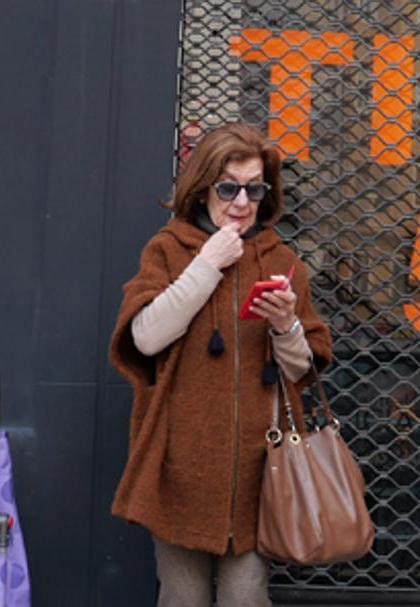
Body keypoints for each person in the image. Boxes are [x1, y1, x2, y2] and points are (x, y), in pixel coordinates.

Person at [108, 122, 332, 606]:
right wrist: (206, 265)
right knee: (183, 598)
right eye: (228, 187)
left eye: (254, 188)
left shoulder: (281, 258)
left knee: (245, 598)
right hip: (179, 468)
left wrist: (287, 326)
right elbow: (144, 339)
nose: (241, 202)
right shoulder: (168, 249)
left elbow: (302, 369)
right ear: (202, 188)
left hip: (261, 472)